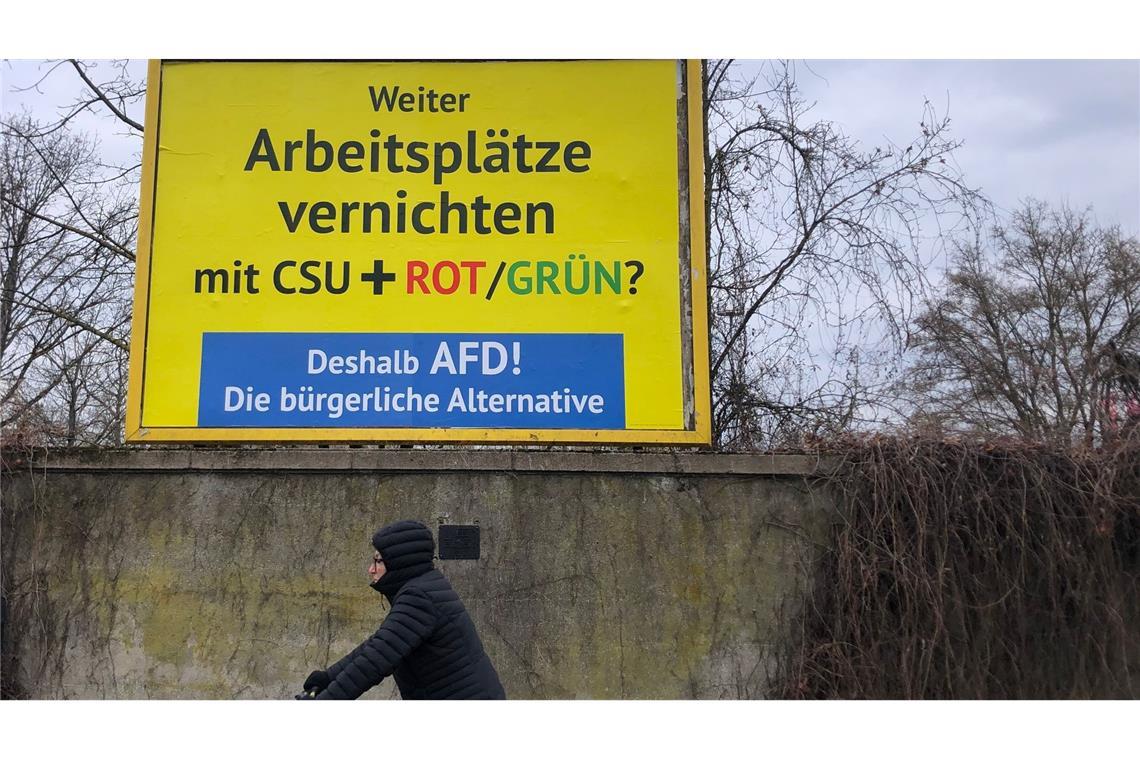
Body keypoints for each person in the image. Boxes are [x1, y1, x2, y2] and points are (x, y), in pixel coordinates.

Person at [300, 519, 506, 700]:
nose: (371, 569)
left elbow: (374, 661)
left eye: (378, 561)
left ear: (400, 562)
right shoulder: (423, 588)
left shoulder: (419, 598)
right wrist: (328, 677)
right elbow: (378, 644)